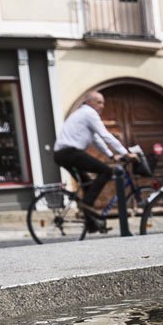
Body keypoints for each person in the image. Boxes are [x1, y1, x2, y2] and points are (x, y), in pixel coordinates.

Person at [53, 91, 139, 234]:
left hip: (63, 154)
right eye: (99, 102)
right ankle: (86, 205)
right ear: (89, 102)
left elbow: (97, 140)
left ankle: (92, 224)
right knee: (106, 171)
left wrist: (111, 155)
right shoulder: (89, 113)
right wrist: (125, 153)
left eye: (103, 102)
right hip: (69, 153)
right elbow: (105, 134)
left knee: (87, 185)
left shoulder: (83, 115)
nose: (102, 106)